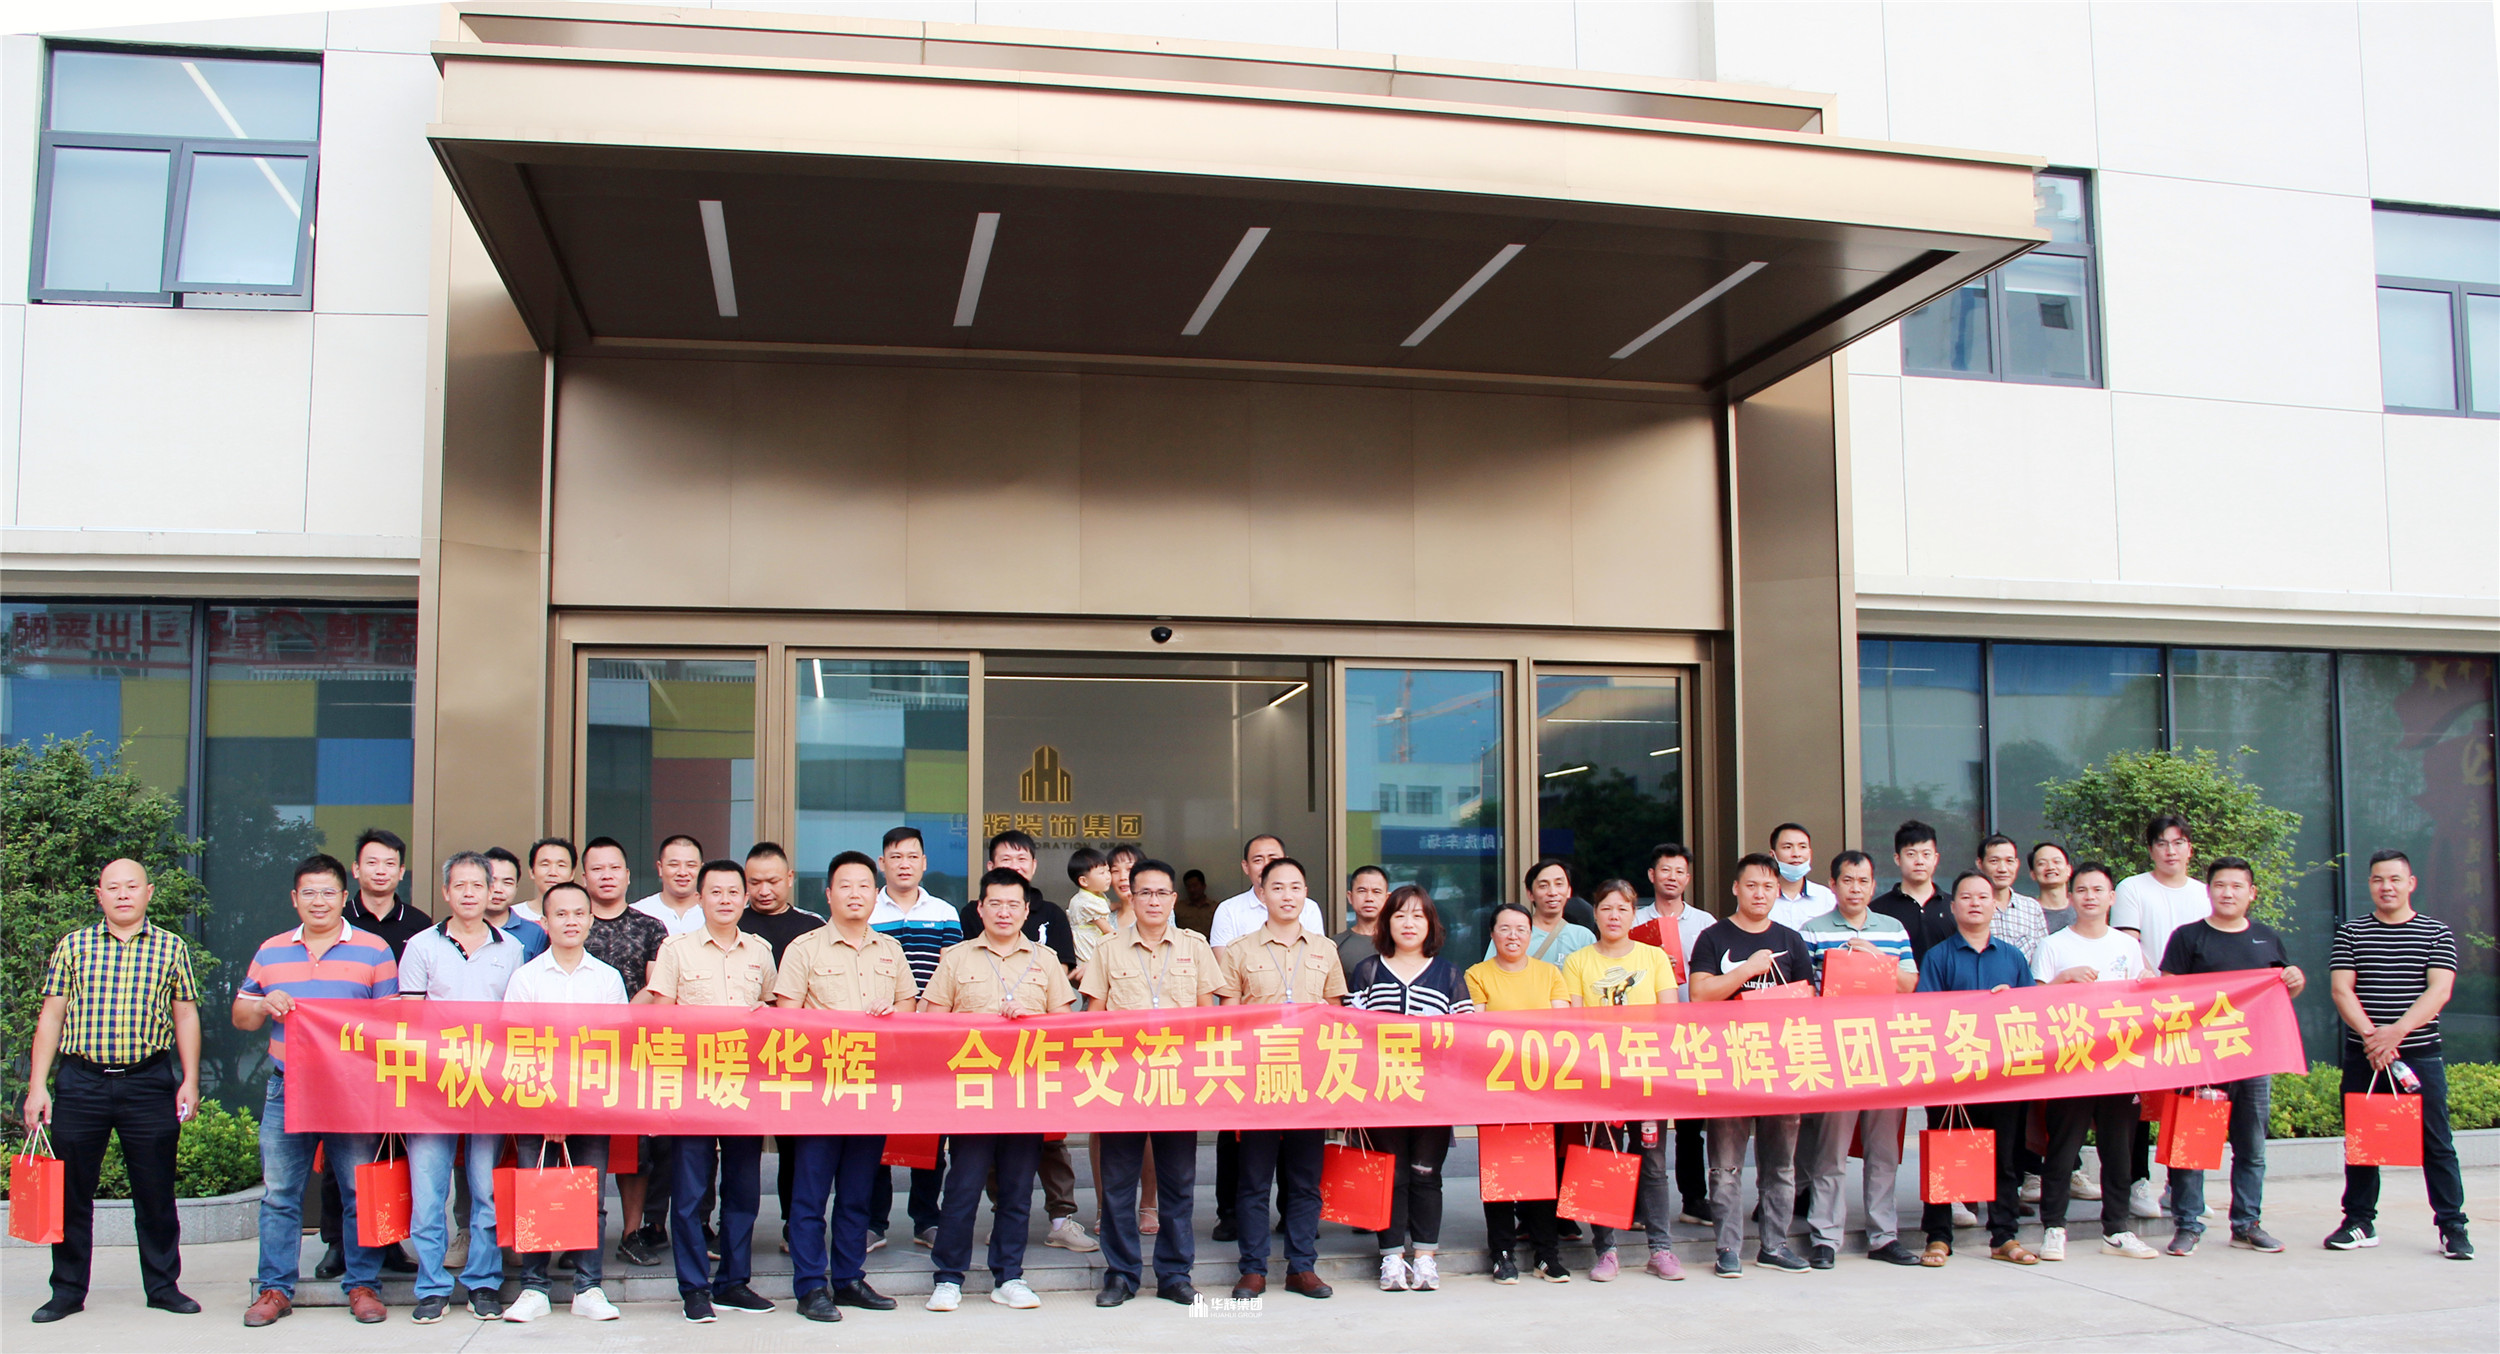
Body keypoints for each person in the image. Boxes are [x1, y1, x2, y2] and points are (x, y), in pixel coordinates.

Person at [23, 858, 203, 1323]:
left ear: (148, 892)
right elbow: (51, 1015)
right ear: (99, 895)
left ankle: (163, 1286)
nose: (124, 894)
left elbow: (185, 1014)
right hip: (81, 1082)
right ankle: (67, 1291)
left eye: (132, 886)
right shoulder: (74, 946)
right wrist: (37, 1086)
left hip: (148, 1082)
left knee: (156, 1192)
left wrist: (190, 1079)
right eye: (114, 887)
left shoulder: (171, 947)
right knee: (71, 1193)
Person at [235, 854, 398, 1328]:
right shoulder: (271, 951)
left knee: (358, 1190)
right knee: (280, 1193)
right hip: (288, 1087)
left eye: (328, 892)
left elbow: (391, 1024)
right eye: (309, 892)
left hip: (352, 1090)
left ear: (344, 898)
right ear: (295, 898)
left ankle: (363, 1284)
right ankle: (275, 1288)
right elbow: (241, 1016)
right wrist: (263, 1005)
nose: (319, 901)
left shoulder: (373, 950)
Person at [919, 868, 1078, 1313]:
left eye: (1013, 905)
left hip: (1025, 1093)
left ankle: (1009, 1275)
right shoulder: (956, 958)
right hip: (972, 1093)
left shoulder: (1046, 960)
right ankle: (948, 1277)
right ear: (980, 909)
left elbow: (1066, 1029)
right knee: (963, 1186)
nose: (1004, 912)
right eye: (995, 904)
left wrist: (1033, 1018)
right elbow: (931, 1023)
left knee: (1016, 1189)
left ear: (1026, 911)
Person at [1080, 858, 1228, 1308]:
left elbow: (1207, 1017)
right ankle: (1121, 1275)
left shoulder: (1195, 947)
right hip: (1121, 1083)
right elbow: (1091, 1019)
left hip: (1177, 1082)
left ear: (1173, 899)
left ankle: (1175, 1274)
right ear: (1131, 895)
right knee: (1118, 1184)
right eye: (1144, 892)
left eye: (1162, 893)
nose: (1153, 901)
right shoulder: (1108, 949)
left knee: (1178, 1183)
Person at [771, 851, 912, 1322]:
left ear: (876, 895)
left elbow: (909, 1009)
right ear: (828, 894)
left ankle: (849, 1279)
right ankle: (811, 1286)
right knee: (809, 1197)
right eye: (845, 886)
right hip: (819, 1091)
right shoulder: (804, 948)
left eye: (864, 886)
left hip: (870, 1089)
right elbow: (786, 1021)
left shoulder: (890, 950)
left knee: (857, 1194)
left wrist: (892, 1015)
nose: (855, 894)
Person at [636, 859, 779, 1323]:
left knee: (743, 1191)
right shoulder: (676, 950)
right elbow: (660, 1020)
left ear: (745, 898)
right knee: (691, 1194)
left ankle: (734, 1282)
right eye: (715, 892)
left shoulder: (760, 951)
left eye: (733, 892)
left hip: (744, 1088)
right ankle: (694, 1288)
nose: (724, 900)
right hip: (693, 1088)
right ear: (700, 898)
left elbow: (773, 1012)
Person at [397, 852, 530, 1322]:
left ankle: (484, 1282)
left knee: (485, 1190)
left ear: (492, 891)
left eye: (478, 885)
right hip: (432, 1088)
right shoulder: (420, 946)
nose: (470, 893)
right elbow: (408, 1020)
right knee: (429, 1192)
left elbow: (517, 1022)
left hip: (489, 1088)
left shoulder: (512, 949)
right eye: (461, 886)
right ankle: (431, 1285)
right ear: (446, 892)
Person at [2154, 856, 2304, 1256]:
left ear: (2251, 893)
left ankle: (2247, 1224)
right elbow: (2168, 992)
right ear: (2209, 891)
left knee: (2251, 1148)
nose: (2228, 893)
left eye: (2237, 886)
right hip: (2201, 1062)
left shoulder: (2267, 938)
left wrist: (2295, 980)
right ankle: (2187, 1224)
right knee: (2191, 1145)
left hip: (2253, 1060)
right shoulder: (2188, 937)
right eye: (2220, 885)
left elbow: (2282, 991)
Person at [2326, 849, 2469, 1260]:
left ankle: (2452, 1226)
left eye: (2394, 879)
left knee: (2437, 1144)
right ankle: (2358, 1221)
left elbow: (2439, 990)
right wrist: (2374, 1038)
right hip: (2365, 1056)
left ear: (2411, 883)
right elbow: (2341, 990)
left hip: (2420, 1056)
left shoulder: (2436, 932)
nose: (2385, 887)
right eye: (2377, 879)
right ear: (2369, 884)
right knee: (2362, 1142)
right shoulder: (2352, 933)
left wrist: (2396, 1034)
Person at [1219, 857, 1347, 1300]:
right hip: (1259, 1081)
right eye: (1277, 888)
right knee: (1253, 1181)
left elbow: (1337, 1015)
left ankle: (1302, 1267)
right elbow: (1228, 1019)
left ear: (1306, 893)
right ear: (1262, 893)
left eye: (1295, 887)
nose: (1287, 896)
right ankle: (1253, 1269)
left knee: (1305, 1181)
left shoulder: (1325, 949)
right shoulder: (1239, 951)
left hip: (1310, 1082)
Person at [499, 881, 626, 1322]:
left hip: (591, 1107)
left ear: (591, 920)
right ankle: (534, 1288)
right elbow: (516, 1048)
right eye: (561, 914)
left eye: (578, 913)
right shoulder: (526, 977)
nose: (570, 921)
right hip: (536, 1106)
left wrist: (575, 1108)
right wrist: (550, 1109)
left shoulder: (607, 978)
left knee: (591, 1197)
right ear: (544, 922)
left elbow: (614, 1050)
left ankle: (589, 1288)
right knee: (534, 1192)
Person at [959, 831, 1089, 1253]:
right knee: (992, 1138)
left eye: (1021, 859)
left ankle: (1061, 1217)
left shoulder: (1051, 914)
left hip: (1038, 1054)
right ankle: (1003, 1215)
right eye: (1005, 858)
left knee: (1049, 1140)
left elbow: (1061, 976)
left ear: (1033, 867)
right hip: (984, 1055)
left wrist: (1029, 1011)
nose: (1014, 865)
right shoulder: (970, 914)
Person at [1689, 853, 1816, 1278]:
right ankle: (1727, 1248)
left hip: (1782, 1066)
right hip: (1729, 1065)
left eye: (1768, 887)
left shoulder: (1791, 940)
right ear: (1735, 888)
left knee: (1780, 1165)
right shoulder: (1712, 937)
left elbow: (1808, 1003)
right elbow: (1700, 994)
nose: (1760, 894)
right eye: (1751, 885)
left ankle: (1775, 1245)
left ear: (1778, 890)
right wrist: (1748, 970)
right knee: (1725, 1166)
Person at [1795, 849, 1921, 1268]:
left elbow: (1909, 984)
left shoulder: (1893, 928)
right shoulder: (1814, 930)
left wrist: (1874, 961)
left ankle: (1884, 1236)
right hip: (1835, 1052)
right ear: (1833, 885)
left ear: (1873, 885)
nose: (1855, 888)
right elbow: (1805, 992)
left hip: (1885, 1050)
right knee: (1830, 1151)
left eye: (1863, 881)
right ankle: (1825, 1237)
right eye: (1847, 880)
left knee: (1883, 1151)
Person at [1346, 885, 1473, 1293]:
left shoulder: (1449, 974)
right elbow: (1350, 1035)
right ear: (1387, 923)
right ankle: (1390, 1258)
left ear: (1431, 924)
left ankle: (1425, 1258)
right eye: (1400, 915)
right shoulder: (1367, 971)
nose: (1409, 923)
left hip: (1432, 1096)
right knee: (1390, 1175)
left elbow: (1465, 1038)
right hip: (1381, 1094)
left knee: (1426, 1174)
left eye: (1418, 915)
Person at [2030, 861, 2159, 1262]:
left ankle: (2117, 1229)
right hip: (2070, 1064)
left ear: (2111, 898)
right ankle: (2053, 1227)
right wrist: (2062, 980)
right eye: (2082, 890)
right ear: (2070, 897)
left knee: (2118, 1150)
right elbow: (2032, 1005)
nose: (2090, 897)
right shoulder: (2054, 945)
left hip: (2118, 1063)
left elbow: (2144, 996)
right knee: (2062, 1149)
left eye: (2098, 890)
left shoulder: (2126, 946)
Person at [313, 828, 425, 1281]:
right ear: (356, 870)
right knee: (338, 1154)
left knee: (391, 1148)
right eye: (371, 863)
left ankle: (389, 1239)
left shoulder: (418, 925)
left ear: (401, 871)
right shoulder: (337, 919)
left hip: (397, 1056)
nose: (381, 871)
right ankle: (337, 1243)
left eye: (390, 864)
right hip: (342, 1057)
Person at [1912, 871, 2039, 1269]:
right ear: (1953, 907)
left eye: (1983, 897)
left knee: (2005, 1157)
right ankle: (1938, 1236)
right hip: (1952, 1077)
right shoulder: (1938, 957)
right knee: (1944, 1153)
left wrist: (2010, 1000)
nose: (1975, 903)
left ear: (1994, 905)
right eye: (1966, 897)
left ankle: (2004, 1235)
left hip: (2002, 1077)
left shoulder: (2013, 958)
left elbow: (2032, 1012)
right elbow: (1926, 1012)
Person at [1561, 880, 1683, 1281]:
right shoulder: (1577, 962)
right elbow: (1575, 1023)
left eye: (1622, 909)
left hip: (1647, 1076)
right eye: (1606, 908)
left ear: (1634, 914)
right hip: (1600, 1078)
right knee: (1603, 1160)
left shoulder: (1654, 957)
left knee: (1653, 1163)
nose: (1614, 916)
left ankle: (1661, 1250)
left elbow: (1669, 1017)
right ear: (1595, 914)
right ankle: (1606, 1250)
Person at [575, 836, 672, 1267]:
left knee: (638, 1147)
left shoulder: (650, 927)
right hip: (578, 1052)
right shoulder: (573, 922)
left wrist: (617, 1018)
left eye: (614, 868)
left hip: (636, 1051)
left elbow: (657, 986)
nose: (606, 876)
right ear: (584, 877)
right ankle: (578, 1234)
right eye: (597, 869)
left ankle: (632, 1233)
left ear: (628, 876)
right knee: (583, 1142)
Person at [1467, 901, 1574, 1284]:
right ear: (1492, 934)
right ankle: (1502, 1253)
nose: (1513, 936)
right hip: (1495, 1088)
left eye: (1521, 929)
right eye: (1505, 929)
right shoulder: (1476, 974)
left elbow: (1560, 1027)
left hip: (1541, 1089)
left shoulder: (1550, 974)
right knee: (1499, 1171)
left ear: (1531, 935)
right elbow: (1476, 1029)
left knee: (1541, 1171)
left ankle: (1547, 1255)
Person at [867, 826, 958, 1251]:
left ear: (924, 863)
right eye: (895, 856)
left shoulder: (944, 912)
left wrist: (925, 1009)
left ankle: (926, 1218)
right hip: (878, 1037)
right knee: (876, 1130)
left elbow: (950, 971)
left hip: (929, 1038)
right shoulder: (867, 908)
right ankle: (874, 1222)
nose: (904, 864)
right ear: (882, 863)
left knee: (930, 1130)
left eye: (911, 857)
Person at [1627, 843, 1713, 1227]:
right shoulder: (1634, 920)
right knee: (1642, 1123)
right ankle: (1638, 1204)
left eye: (1679, 871)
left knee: (1692, 1125)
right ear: (1652, 875)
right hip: (1645, 1031)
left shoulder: (1705, 922)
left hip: (1691, 1030)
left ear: (1688, 878)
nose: (1672, 877)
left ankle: (1694, 1199)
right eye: (1665, 870)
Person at [2113, 814, 2208, 975]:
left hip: (2199, 987)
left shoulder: (2206, 893)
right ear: (2150, 851)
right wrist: (2159, 983)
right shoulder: (2131, 888)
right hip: (2147, 984)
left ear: (2190, 849)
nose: (2171, 852)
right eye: (2162, 844)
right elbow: (2127, 945)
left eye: (2178, 843)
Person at [1209, 835, 1325, 946]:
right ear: (1246, 867)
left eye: (1273, 859)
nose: (1266, 866)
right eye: (1258, 860)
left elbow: (1318, 953)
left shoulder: (1309, 908)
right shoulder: (1228, 910)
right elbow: (1225, 959)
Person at [1486, 858, 1595, 968]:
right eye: (1543, 886)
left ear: (1569, 891)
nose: (1552, 892)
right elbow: (1490, 973)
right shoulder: (1511, 935)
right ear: (1530, 894)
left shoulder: (1583, 937)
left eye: (1559, 884)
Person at [1872, 821, 1953, 960]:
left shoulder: (1954, 907)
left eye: (1926, 854)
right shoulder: (1877, 911)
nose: (1919, 861)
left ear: (1936, 858)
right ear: (1897, 859)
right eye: (1911, 854)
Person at [737, 842, 822, 965]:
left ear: (790, 878)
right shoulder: (733, 923)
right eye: (755, 883)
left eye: (773, 882)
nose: (764, 892)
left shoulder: (813, 926)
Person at [1767, 823, 1839, 931]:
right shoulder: (1761, 898)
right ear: (1773, 855)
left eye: (1802, 847)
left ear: (1810, 853)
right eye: (1787, 847)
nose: (1796, 854)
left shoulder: (1827, 898)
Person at [633, 834, 708, 937]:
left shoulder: (715, 913)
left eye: (691, 865)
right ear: (660, 868)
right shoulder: (638, 913)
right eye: (674, 865)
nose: (682, 872)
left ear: (702, 870)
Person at [482, 847, 549, 959]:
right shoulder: (463, 928)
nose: (498, 889)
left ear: (516, 887)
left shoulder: (534, 933)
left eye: (507, 883)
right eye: (491, 881)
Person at [1333, 865, 1391, 980]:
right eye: (1362, 891)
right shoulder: (1335, 945)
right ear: (1350, 897)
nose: (1369, 898)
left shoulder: (1398, 942)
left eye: (1376, 892)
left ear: (1387, 898)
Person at [1067, 846, 1117, 967]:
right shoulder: (1087, 903)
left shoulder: (1095, 894)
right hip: (1087, 951)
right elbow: (1107, 930)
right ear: (1084, 881)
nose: (1108, 876)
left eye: (1108, 871)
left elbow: (1107, 906)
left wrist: (1120, 905)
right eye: (1102, 873)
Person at [515, 835, 576, 924]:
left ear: (572, 874)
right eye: (545, 864)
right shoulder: (514, 915)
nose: (552, 872)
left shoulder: (581, 918)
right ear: (532, 872)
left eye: (561, 865)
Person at [2029, 842, 2077, 935]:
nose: (2050, 867)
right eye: (2042, 863)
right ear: (2033, 874)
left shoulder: (2082, 908)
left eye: (2057, 861)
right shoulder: (2028, 912)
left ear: (2069, 870)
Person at [1177, 869, 1218, 937]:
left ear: (1204, 886)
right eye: (1189, 886)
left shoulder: (1216, 908)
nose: (1192, 889)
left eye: (1195, 886)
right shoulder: (1178, 908)